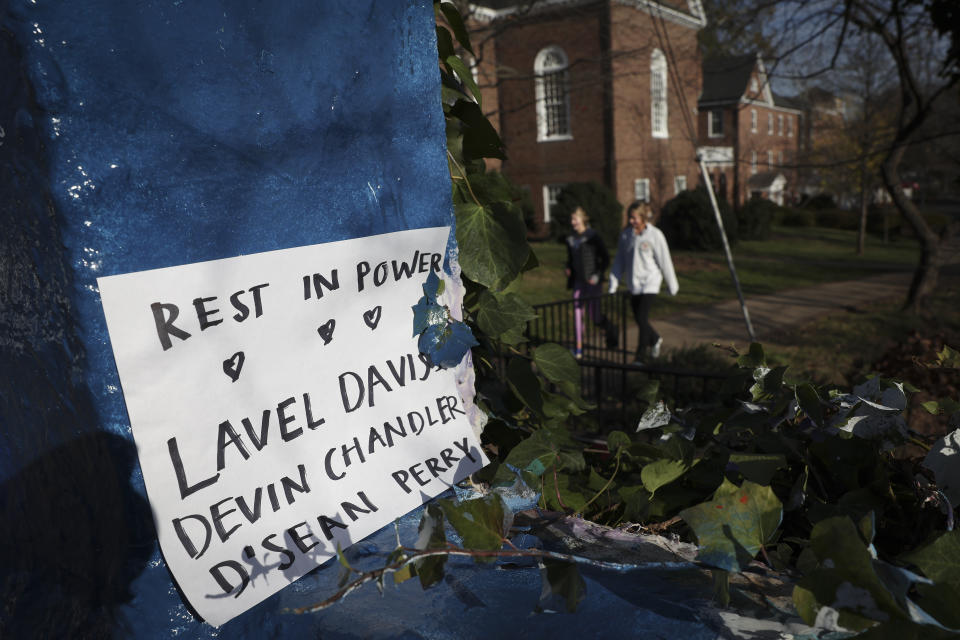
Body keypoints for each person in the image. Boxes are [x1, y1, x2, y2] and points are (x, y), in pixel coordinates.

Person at [608, 201, 678, 365]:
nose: (631, 221)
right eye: (629, 218)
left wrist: (672, 284)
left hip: (650, 282)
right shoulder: (626, 236)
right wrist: (613, 282)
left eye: (634, 218)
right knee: (640, 320)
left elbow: (664, 260)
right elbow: (619, 261)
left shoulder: (655, 235)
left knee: (641, 317)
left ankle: (640, 356)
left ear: (643, 217)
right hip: (634, 284)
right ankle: (654, 339)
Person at [565, 207, 617, 359]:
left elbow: (605, 258)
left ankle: (610, 329)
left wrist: (596, 275)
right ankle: (579, 349)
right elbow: (570, 260)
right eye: (572, 219)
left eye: (575, 219)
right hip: (578, 282)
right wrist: (568, 268)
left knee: (594, 316)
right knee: (577, 312)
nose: (572, 222)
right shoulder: (571, 239)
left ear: (583, 220)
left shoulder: (593, 237)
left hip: (593, 282)